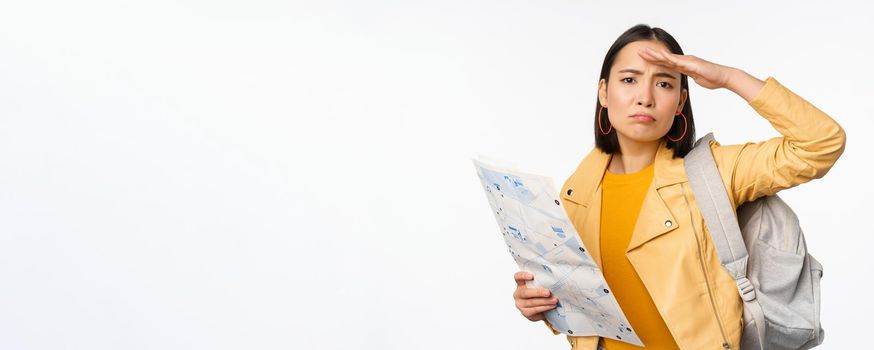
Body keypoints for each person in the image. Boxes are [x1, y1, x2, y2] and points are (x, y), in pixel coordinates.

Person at [510, 24, 846, 350]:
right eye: (629, 80)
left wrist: (730, 78)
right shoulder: (577, 191)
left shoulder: (714, 172)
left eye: (665, 84)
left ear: (681, 101)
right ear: (604, 93)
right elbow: (589, 307)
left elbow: (820, 143)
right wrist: (541, 306)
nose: (645, 97)